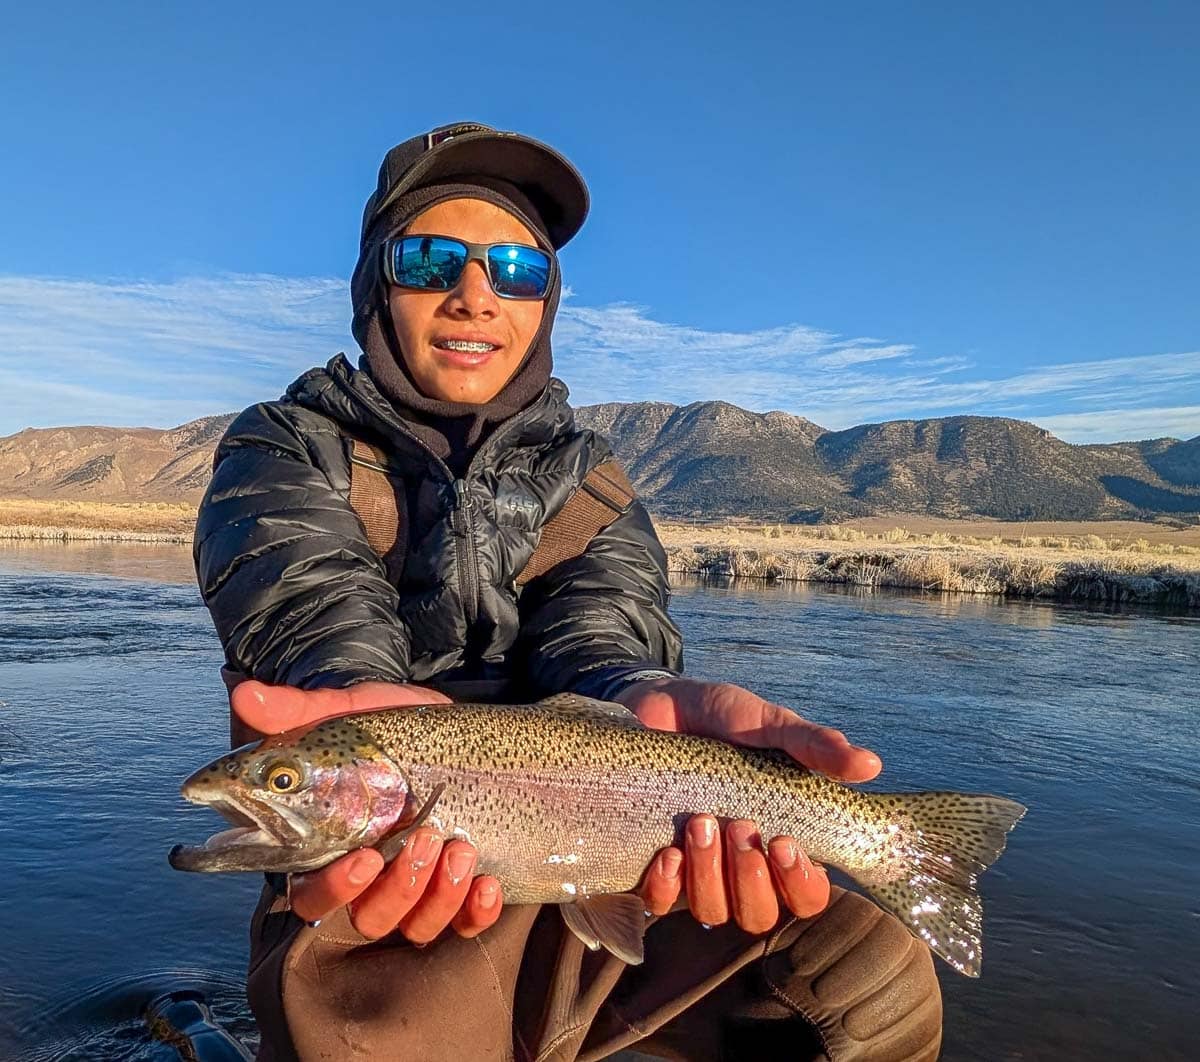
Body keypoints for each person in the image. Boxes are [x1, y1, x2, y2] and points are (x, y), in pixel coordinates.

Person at [194, 122, 942, 1061]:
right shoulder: (282, 448)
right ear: (374, 285)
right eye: (431, 259)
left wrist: (635, 692)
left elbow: (605, 632)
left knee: (867, 977)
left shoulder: (593, 481)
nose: (476, 295)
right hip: (376, 878)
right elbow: (311, 606)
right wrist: (349, 713)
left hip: (609, 843)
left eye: (515, 268)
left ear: (545, 302)